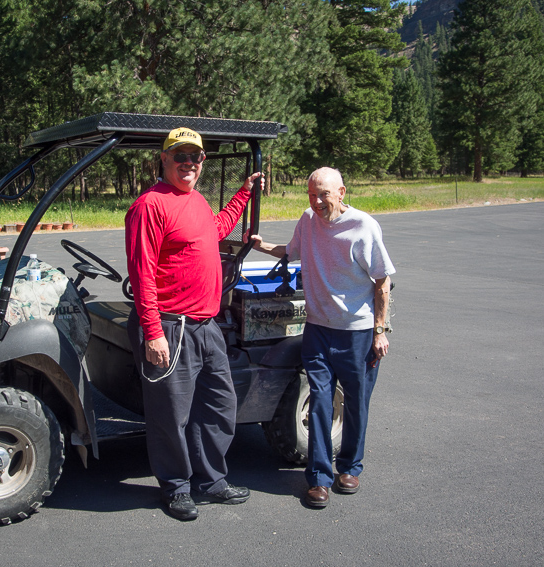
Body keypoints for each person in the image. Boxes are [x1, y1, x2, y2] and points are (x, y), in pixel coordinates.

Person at [125, 127, 263, 521]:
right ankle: (176, 487)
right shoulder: (149, 205)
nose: (189, 163)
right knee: (171, 415)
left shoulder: (197, 201)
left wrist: (243, 195)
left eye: (196, 157)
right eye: (181, 155)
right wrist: (153, 332)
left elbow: (216, 230)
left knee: (218, 406)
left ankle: (212, 481)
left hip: (206, 326)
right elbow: (142, 273)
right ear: (164, 159)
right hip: (170, 327)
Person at [249, 167, 395, 508]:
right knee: (319, 401)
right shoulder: (308, 219)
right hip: (316, 330)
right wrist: (262, 245)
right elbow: (293, 251)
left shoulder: (364, 227)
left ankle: (350, 468)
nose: (317, 201)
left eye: (324, 194)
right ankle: (317, 478)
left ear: (341, 192)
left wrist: (379, 330)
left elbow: (382, 282)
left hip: (357, 334)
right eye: (312, 195)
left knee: (356, 403)